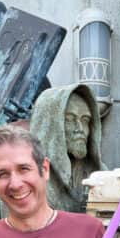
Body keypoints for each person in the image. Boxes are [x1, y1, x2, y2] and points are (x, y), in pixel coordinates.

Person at [29, 83, 103, 212]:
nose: (80, 129)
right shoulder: (26, 180)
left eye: (85, 120)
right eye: (69, 119)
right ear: (49, 124)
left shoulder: (101, 176)